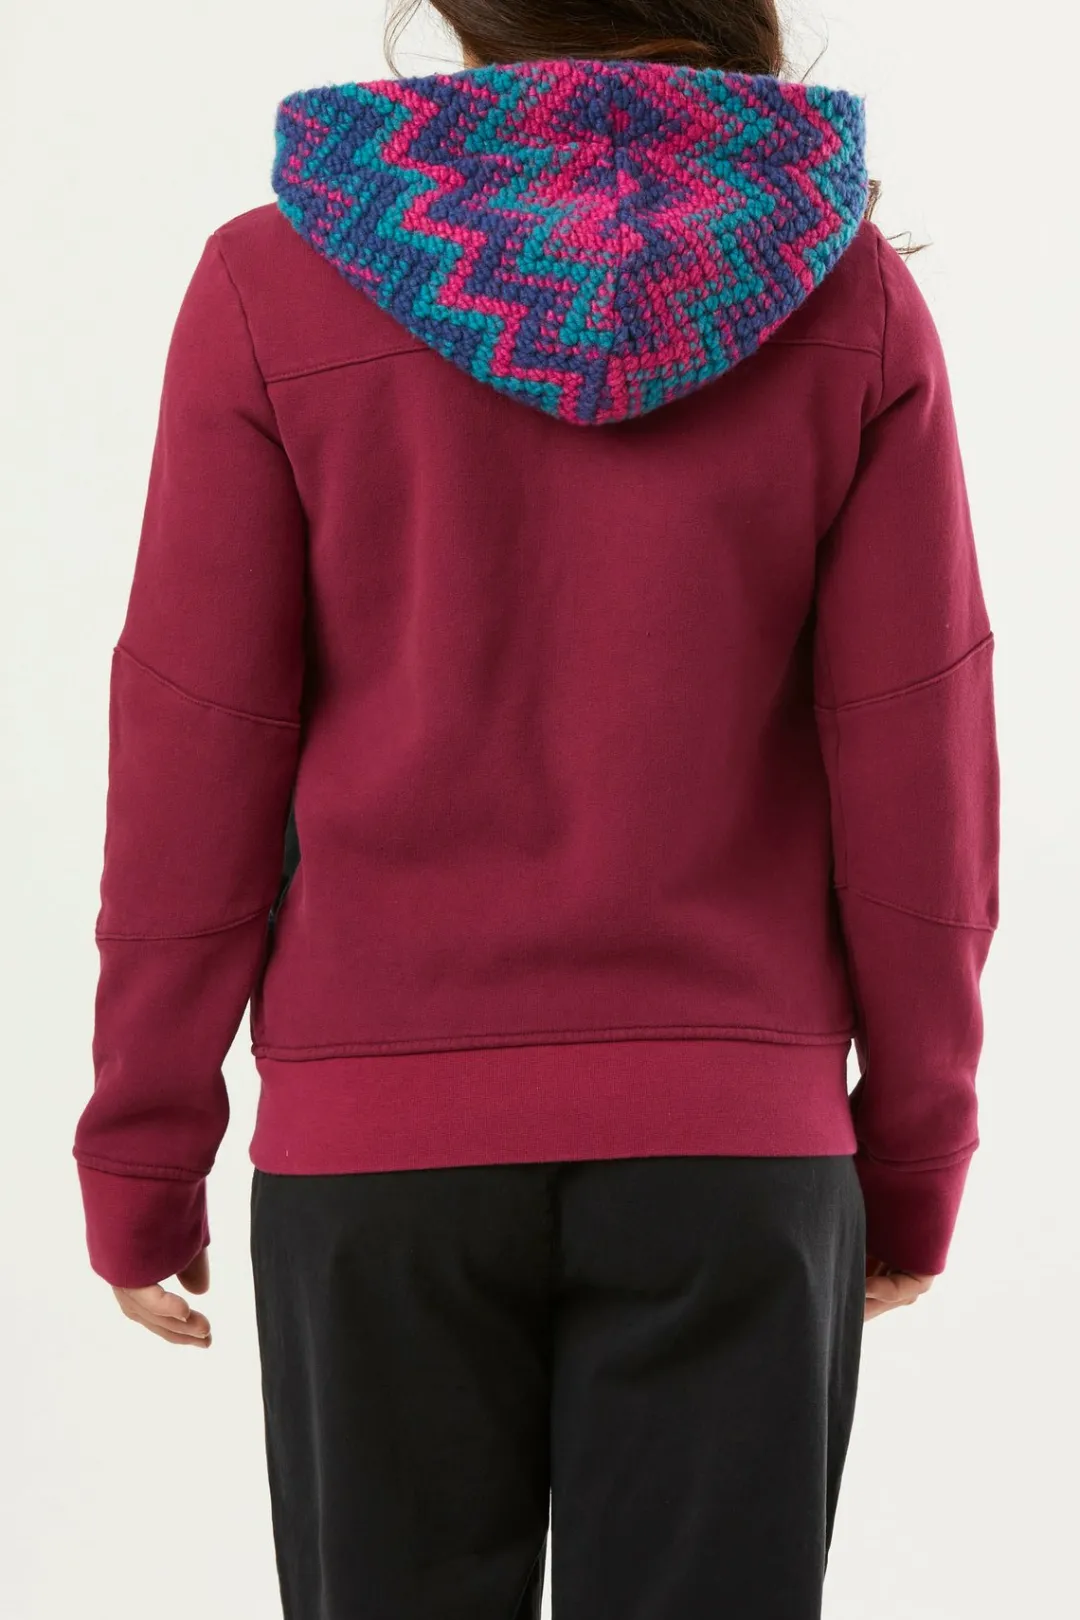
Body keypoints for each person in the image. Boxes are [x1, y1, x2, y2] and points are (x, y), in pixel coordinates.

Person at [72, 2, 999, 1615]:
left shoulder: (273, 281)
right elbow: (918, 760)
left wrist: (144, 1144)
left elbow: (194, 748)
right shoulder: (847, 292)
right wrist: (914, 1148)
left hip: (376, 1156)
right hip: (734, 1151)